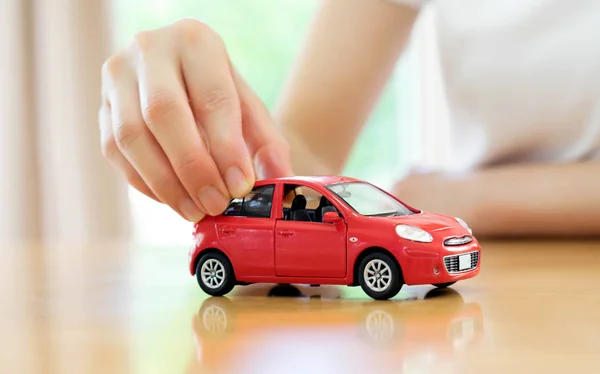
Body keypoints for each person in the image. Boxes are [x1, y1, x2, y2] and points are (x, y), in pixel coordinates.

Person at [99, 0, 600, 237]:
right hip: (487, 306)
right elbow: (297, 154)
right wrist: (212, 132)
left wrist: (465, 199)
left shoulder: (424, 214)